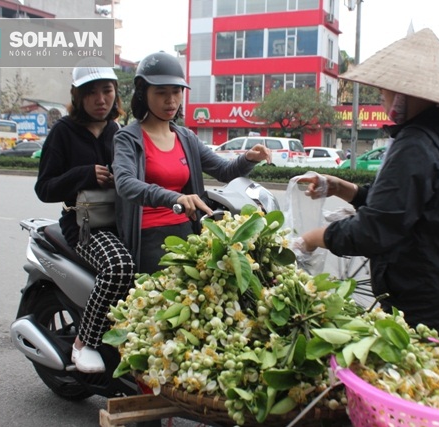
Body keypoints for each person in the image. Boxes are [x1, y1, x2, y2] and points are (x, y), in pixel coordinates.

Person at [297, 29, 439, 341]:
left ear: (406, 94)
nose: (382, 96)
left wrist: (314, 237)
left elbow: (373, 231)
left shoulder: (416, 144)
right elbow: (400, 207)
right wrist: (340, 187)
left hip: (426, 310)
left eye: (384, 89)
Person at [113, 52, 271, 274]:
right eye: (161, 93)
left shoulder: (186, 137)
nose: (171, 101)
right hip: (149, 235)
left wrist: (249, 158)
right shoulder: (128, 138)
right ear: (143, 93)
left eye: (176, 92)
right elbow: (125, 183)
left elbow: (224, 171)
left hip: (188, 230)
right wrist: (174, 197)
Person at [35, 66, 136, 373]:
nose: (100, 99)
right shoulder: (63, 132)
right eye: (91, 92)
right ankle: (86, 341)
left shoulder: (116, 131)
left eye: (106, 90)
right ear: (77, 97)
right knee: (119, 266)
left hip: (121, 221)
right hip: (83, 225)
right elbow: (45, 188)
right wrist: (84, 174)